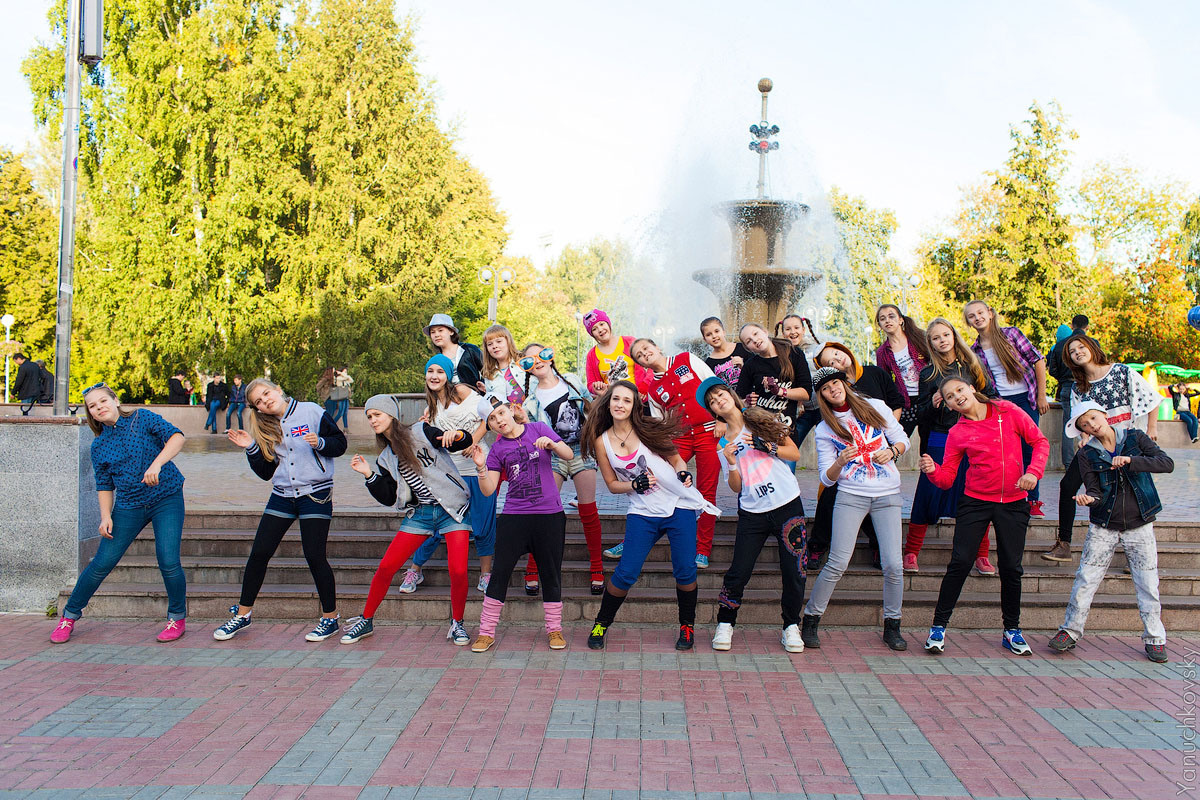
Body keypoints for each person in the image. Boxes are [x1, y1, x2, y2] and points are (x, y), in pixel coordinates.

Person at [582, 380, 719, 651]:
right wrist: (634, 484)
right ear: (608, 402)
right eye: (616, 399)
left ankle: (687, 626)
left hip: (677, 504)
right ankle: (601, 623)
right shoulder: (602, 442)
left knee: (685, 570)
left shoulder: (647, 429)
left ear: (634, 406)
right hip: (643, 511)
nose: (620, 404)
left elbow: (677, 459)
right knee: (626, 572)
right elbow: (611, 484)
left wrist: (682, 472)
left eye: (626, 400)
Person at [919, 373, 1049, 657]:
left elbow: (1040, 442)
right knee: (960, 562)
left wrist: (1033, 473)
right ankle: (938, 627)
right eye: (950, 397)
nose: (957, 397)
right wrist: (932, 471)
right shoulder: (958, 433)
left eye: (959, 390)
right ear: (949, 405)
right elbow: (947, 479)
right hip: (975, 502)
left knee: (1012, 568)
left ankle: (1011, 630)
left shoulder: (1007, 411)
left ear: (971, 388)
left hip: (1014, 501)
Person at [50, 383, 188, 644]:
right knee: (102, 562)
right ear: (90, 413)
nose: (99, 407)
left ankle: (177, 618)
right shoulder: (99, 446)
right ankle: (68, 616)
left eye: (103, 401)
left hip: (166, 497)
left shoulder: (141, 418)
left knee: (168, 559)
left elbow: (177, 437)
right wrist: (105, 516)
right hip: (129, 505)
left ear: (114, 400)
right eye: (92, 406)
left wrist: (157, 463)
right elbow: (104, 485)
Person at [214, 378, 347, 642]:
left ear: (277, 389)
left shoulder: (311, 411)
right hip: (282, 495)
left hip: (315, 494)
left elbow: (339, 444)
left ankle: (330, 619)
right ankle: (242, 615)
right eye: (258, 402)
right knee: (259, 553)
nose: (265, 401)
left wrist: (320, 442)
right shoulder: (265, 426)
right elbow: (265, 473)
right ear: (258, 409)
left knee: (314, 555)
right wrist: (251, 447)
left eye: (266, 394)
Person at [339, 394, 477, 645]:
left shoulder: (420, 431)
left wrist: (457, 435)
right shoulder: (385, 458)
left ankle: (457, 623)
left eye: (377, 415)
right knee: (386, 567)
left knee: (458, 570)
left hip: (451, 510)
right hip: (420, 515)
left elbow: (457, 442)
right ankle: (366, 620)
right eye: (369, 416)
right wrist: (369, 474)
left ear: (391, 414)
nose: (372, 420)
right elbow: (388, 497)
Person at [1048, 402, 1172, 663]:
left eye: (1093, 418)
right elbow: (1095, 491)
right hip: (1103, 525)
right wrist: (1088, 500)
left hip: (1140, 523)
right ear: (1083, 430)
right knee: (1086, 579)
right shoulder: (1087, 454)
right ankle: (1070, 631)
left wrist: (1131, 461)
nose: (1092, 425)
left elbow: (1166, 463)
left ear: (1104, 415)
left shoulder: (1135, 437)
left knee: (1148, 583)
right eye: (1085, 424)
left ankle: (1155, 639)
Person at [698, 378, 807, 653]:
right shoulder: (722, 443)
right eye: (712, 401)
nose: (718, 400)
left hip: (786, 504)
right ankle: (725, 622)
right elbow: (735, 486)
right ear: (714, 411)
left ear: (732, 396)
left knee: (794, 569)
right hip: (752, 512)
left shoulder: (757, 419)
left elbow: (793, 452)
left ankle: (791, 626)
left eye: (721, 394)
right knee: (739, 570)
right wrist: (732, 461)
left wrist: (765, 446)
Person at [805, 367, 910, 652]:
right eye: (826, 389)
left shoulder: (874, 406)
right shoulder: (825, 428)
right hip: (851, 496)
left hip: (888, 494)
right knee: (837, 562)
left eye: (836, 383)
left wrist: (894, 451)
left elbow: (903, 438)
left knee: (893, 565)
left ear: (844, 383)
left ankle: (893, 625)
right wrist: (840, 461)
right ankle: (811, 619)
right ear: (821, 396)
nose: (833, 390)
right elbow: (826, 478)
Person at [469, 396, 574, 652]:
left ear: (511, 411)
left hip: (549, 515)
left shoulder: (537, 428)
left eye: (501, 414)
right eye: (492, 419)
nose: (499, 421)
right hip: (514, 517)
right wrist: (481, 468)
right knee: (500, 573)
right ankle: (486, 632)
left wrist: (552, 443)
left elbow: (569, 454)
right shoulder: (496, 450)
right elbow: (488, 489)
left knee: (550, 573)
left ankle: (554, 629)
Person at [1045, 334, 1161, 563]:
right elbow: (1080, 421)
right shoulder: (1079, 387)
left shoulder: (1120, 371)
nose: (1077, 352)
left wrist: (1152, 428)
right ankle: (1064, 543)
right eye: (1072, 351)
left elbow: (1151, 398)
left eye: (1081, 347)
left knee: (1134, 492)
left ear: (1091, 347)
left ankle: (1137, 556)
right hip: (1096, 447)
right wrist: (1084, 436)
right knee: (1068, 484)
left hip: (1124, 443)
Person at [904, 319, 999, 576]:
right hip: (941, 436)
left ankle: (981, 554)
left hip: (972, 435)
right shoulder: (927, 373)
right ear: (930, 343)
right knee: (928, 489)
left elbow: (992, 398)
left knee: (976, 491)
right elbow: (920, 415)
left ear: (954, 336)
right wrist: (932, 404)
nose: (942, 340)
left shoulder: (972, 365)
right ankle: (911, 551)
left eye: (946, 334)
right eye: (935, 337)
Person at [806, 341, 903, 571]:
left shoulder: (873, 373)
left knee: (874, 494)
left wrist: (888, 440)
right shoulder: (829, 410)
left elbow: (896, 404)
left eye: (837, 353)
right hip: (849, 462)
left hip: (880, 450)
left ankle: (879, 543)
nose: (837, 359)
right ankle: (818, 544)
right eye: (829, 361)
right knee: (831, 494)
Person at [398, 355, 492, 594]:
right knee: (435, 522)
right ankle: (415, 570)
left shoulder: (461, 392)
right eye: (430, 371)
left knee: (483, 523)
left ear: (448, 375)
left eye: (440, 371)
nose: (434, 376)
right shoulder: (430, 407)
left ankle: (486, 575)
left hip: (478, 466)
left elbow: (490, 415)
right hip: (450, 474)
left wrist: (473, 441)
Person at [521, 344, 605, 593]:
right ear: (527, 368)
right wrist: (522, 421)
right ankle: (533, 568)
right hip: (552, 455)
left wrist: (600, 397)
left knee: (588, 511)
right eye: (529, 360)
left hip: (581, 450)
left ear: (550, 356)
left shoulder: (570, 381)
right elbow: (528, 434)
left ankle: (597, 568)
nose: (537, 361)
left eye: (540, 354)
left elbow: (590, 409)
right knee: (544, 512)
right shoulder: (531, 400)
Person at [630, 338, 720, 568]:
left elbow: (714, 385)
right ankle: (637, 537)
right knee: (659, 479)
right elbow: (662, 425)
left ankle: (702, 549)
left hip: (708, 431)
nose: (645, 354)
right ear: (641, 364)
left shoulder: (686, 359)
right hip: (681, 437)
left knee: (707, 489)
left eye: (646, 348)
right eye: (639, 355)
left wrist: (722, 420)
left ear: (657, 346)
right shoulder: (652, 390)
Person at [964, 299, 1050, 516]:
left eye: (981, 313)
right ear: (969, 322)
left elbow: (1038, 360)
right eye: (972, 316)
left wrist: (1041, 395)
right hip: (1001, 403)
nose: (978, 318)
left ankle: (1032, 500)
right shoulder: (974, 350)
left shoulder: (1011, 335)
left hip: (1025, 398)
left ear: (990, 313)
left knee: (1030, 448)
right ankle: (1013, 498)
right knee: (1009, 451)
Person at [735, 322, 813, 444]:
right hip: (761, 432)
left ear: (765, 331)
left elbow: (806, 393)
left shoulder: (794, 354)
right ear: (747, 348)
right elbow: (738, 400)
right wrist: (747, 402)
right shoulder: (750, 366)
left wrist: (780, 391)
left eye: (756, 333)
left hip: (787, 432)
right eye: (749, 341)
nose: (755, 340)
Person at [873, 304, 931, 438]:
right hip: (906, 402)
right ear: (880, 325)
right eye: (883, 319)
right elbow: (885, 381)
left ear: (900, 320)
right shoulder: (882, 352)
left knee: (928, 442)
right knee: (896, 440)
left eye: (891, 316)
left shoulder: (918, 338)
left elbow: (934, 361)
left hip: (927, 396)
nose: (887, 320)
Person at [777, 314, 824, 448]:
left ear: (803, 330)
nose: (793, 332)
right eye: (788, 329)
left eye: (796, 327)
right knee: (791, 445)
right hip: (801, 411)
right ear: (783, 332)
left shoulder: (816, 349)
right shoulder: (780, 353)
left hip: (823, 407)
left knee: (830, 443)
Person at [582, 308, 651, 396]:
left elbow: (651, 364)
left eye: (602, 324)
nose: (600, 329)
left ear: (608, 324)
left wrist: (644, 387)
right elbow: (591, 384)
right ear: (592, 334)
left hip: (640, 400)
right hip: (614, 404)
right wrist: (596, 387)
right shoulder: (592, 355)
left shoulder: (629, 341)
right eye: (594, 329)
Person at [1045, 322, 1078, 467]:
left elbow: (1052, 370)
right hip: (1080, 385)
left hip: (1065, 387)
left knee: (1068, 426)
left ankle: (1068, 463)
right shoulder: (1077, 345)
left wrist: (1062, 379)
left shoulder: (1056, 348)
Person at [425, 313, 484, 387]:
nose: (436, 335)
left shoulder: (470, 350)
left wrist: (484, 387)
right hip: (450, 397)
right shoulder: (437, 360)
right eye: (432, 332)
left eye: (440, 330)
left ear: (451, 331)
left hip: (475, 396)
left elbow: (489, 370)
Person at [480, 324, 528, 403]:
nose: (494, 346)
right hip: (508, 414)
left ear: (508, 342)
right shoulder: (489, 375)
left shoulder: (522, 362)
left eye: (499, 341)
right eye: (490, 344)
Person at [701, 316, 751, 389]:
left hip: (750, 396)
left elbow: (756, 371)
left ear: (724, 332)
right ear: (704, 339)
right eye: (708, 334)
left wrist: (743, 366)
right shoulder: (709, 363)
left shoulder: (742, 348)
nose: (714, 336)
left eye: (717, 331)